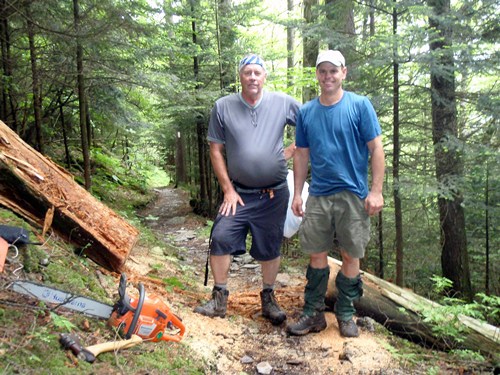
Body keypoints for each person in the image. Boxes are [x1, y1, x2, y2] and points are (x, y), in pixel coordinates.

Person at [194, 54, 301, 325]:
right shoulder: (223, 107)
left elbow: (310, 124)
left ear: (265, 76)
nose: (252, 77)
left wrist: (292, 149)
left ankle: (268, 298)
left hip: (274, 194)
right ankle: (219, 299)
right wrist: (227, 189)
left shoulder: (283, 102)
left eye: (257, 72)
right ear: (240, 76)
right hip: (238, 194)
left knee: (270, 246)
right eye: (247, 72)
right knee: (220, 236)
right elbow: (216, 150)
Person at [286, 50, 385, 337]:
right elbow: (302, 155)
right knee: (317, 255)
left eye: (333, 70)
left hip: (353, 195)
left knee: (351, 256)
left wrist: (376, 191)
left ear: (344, 72)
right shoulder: (306, 112)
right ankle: (314, 313)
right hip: (318, 194)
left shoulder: (359, 106)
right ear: (317, 75)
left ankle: (345, 313)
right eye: (322, 71)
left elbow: (376, 148)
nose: (328, 76)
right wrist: (297, 194)